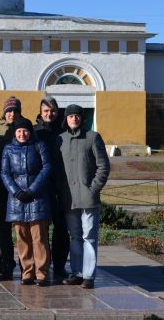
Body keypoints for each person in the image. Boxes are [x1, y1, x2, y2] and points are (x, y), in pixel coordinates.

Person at [57, 104, 111, 289]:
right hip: (69, 198)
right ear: (66, 119)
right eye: (71, 116)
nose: (74, 119)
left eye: (77, 116)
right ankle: (76, 272)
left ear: (82, 118)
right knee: (75, 236)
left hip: (88, 197)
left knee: (89, 236)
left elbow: (103, 166)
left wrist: (93, 188)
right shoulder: (60, 140)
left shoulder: (92, 137)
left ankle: (88, 275)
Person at [1, 117, 52, 286]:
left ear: (30, 132)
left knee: (39, 237)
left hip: (37, 199)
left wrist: (32, 190)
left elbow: (46, 168)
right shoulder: (8, 149)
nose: (22, 134)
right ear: (15, 133)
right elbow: (5, 173)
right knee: (22, 238)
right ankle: (27, 272)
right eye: (19, 131)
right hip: (17, 201)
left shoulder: (39, 146)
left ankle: (42, 272)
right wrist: (16, 192)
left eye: (25, 131)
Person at [33, 97, 69, 278]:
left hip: (62, 187)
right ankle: (42, 266)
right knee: (41, 230)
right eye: (46, 111)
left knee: (62, 229)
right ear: (40, 112)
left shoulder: (64, 132)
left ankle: (60, 265)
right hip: (42, 187)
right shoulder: (34, 132)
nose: (49, 114)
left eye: (53, 111)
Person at [0, 96, 21, 278]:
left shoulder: (24, 128)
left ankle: (12, 261)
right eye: (9, 111)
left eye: (15, 110)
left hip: (18, 185)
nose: (12, 114)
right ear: (4, 113)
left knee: (16, 227)